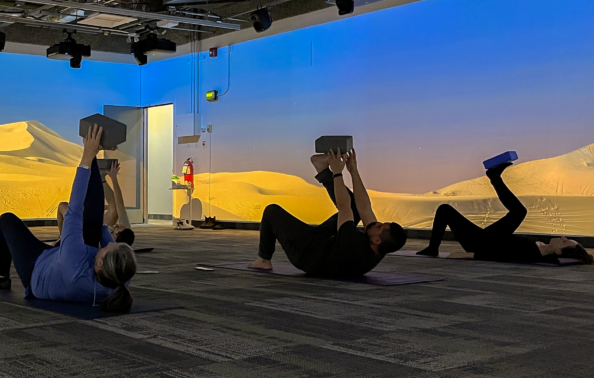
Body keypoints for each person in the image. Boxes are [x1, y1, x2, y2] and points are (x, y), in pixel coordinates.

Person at [0, 125, 138, 313]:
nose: (108, 243)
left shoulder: (73, 261)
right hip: (61, 257)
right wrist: (95, 152)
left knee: (6, 220)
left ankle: (3, 279)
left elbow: (74, 209)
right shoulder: (121, 274)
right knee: (93, 224)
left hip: (37, 268)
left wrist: (86, 157)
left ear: (99, 264)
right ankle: (94, 150)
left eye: (110, 247)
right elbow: (100, 229)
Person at [250, 149, 407, 277]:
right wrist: (353, 170)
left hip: (307, 254)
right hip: (324, 246)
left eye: (379, 227)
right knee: (355, 208)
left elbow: (343, 205)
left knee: (272, 211)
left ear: (377, 240)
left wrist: (337, 173)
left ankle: (264, 259)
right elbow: (364, 207)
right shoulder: (378, 245)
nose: (377, 223)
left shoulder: (354, 246)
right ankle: (321, 167)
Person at [416, 162, 592, 265]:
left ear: (559, 252)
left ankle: (494, 177)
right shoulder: (539, 248)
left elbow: (499, 255)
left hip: (482, 244)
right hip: (488, 239)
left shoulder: (531, 253)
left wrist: (465, 256)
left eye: (565, 241)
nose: (563, 237)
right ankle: (494, 176)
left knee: (519, 212)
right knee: (519, 212)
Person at [56, 159, 135, 246]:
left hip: (84, 228)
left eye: (118, 227)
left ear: (115, 236)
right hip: (96, 225)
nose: (118, 225)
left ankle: (63, 237)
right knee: (115, 209)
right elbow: (120, 204)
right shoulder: (126, 231)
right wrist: (114, 178)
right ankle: (101, 178)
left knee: (62, 206)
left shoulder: (105, 245)